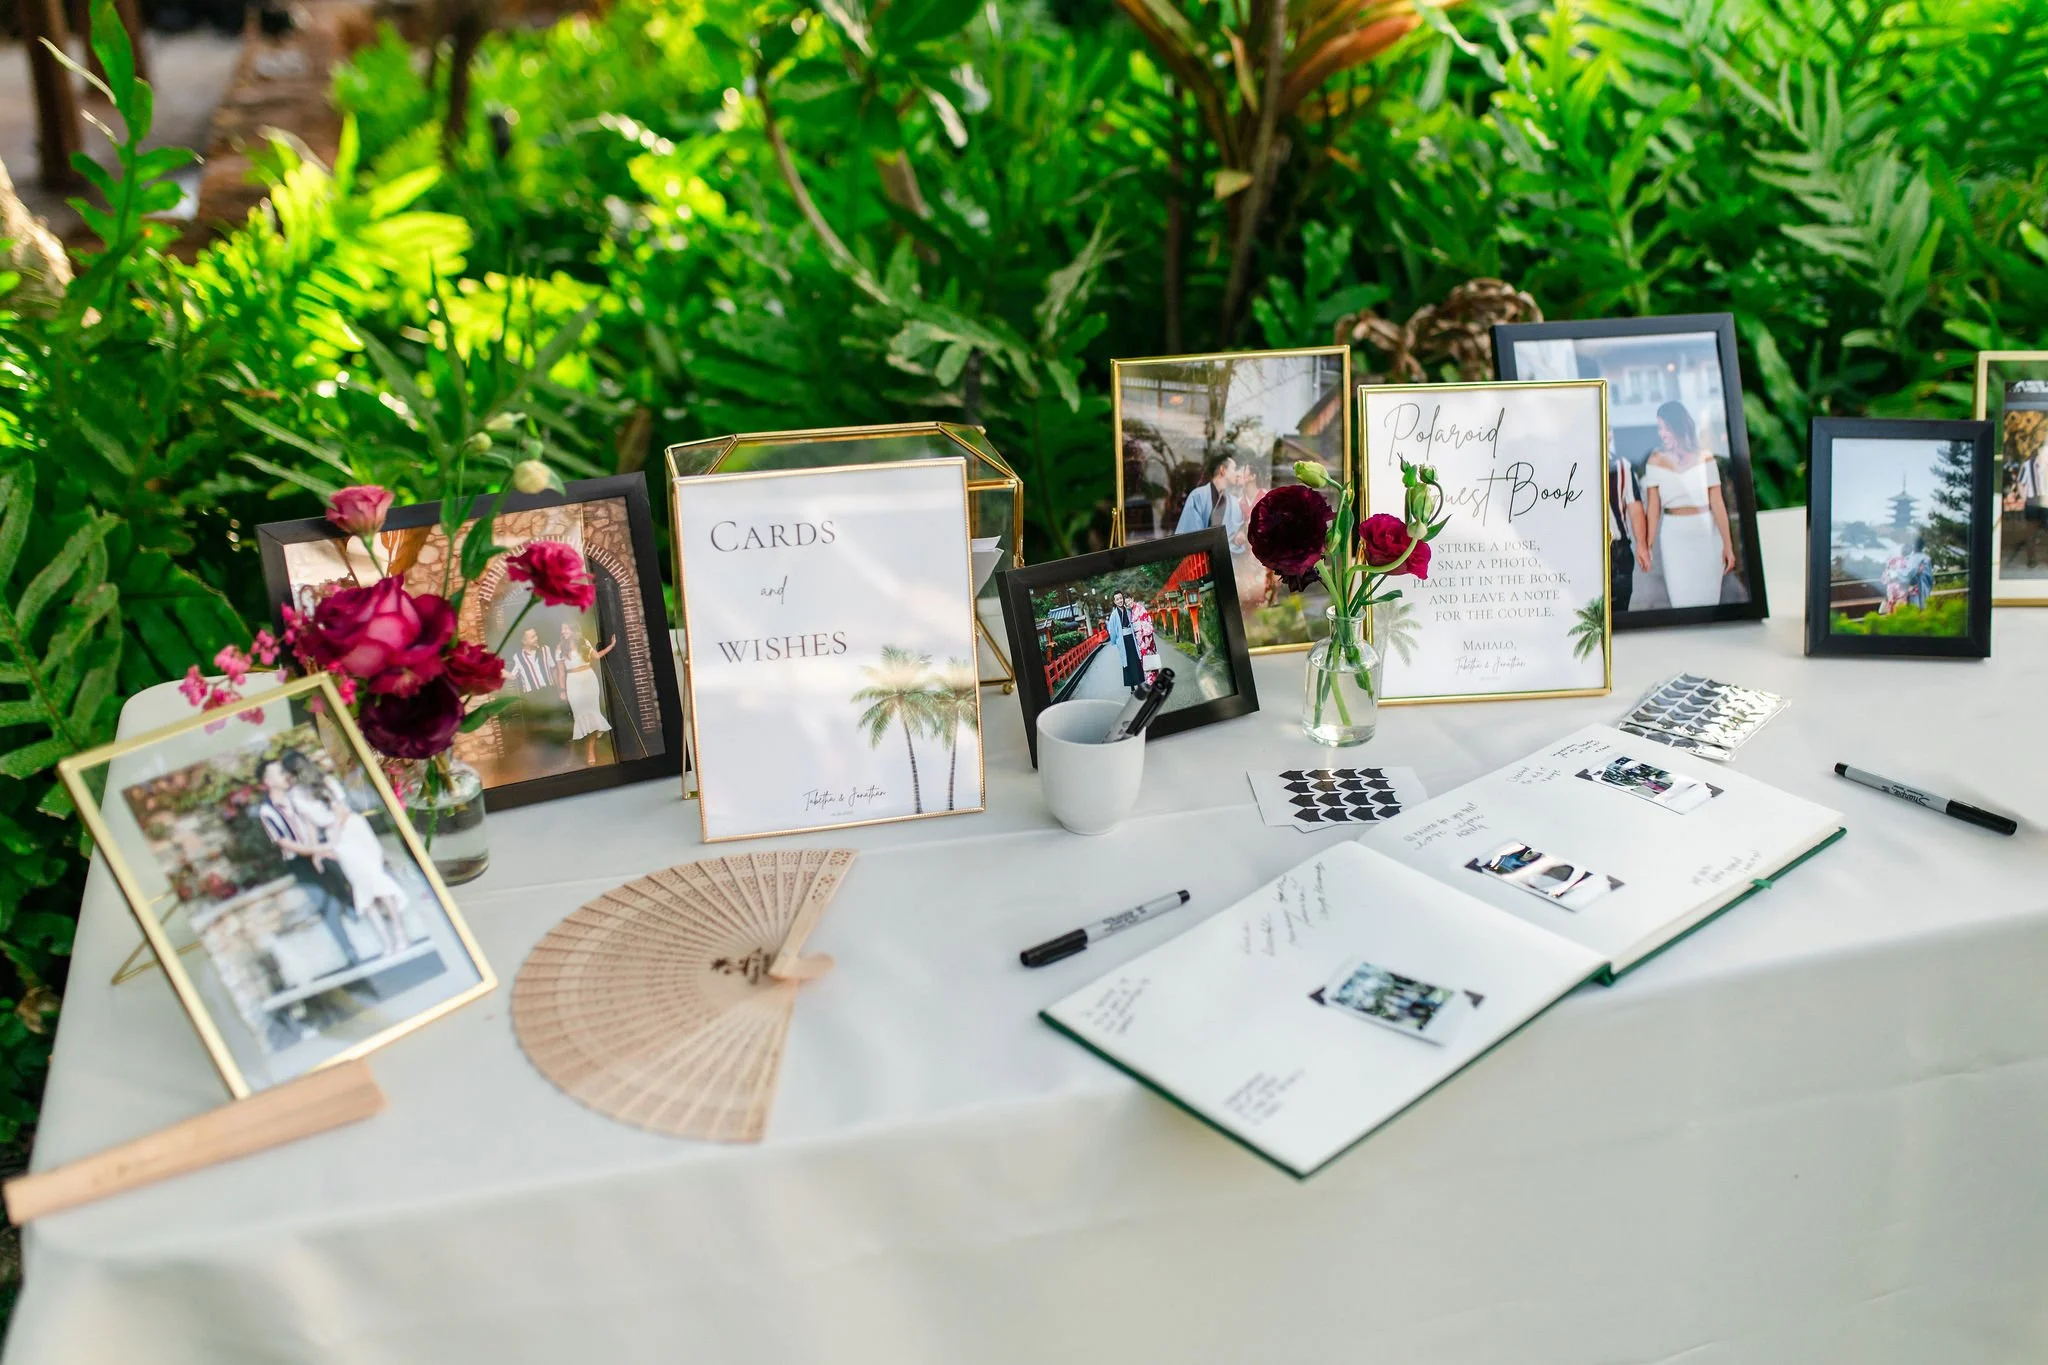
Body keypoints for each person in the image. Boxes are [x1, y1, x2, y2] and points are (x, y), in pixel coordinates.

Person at [281, 752, 412, 960]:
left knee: (375, 880)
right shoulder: (294, 795)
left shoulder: (325, 782)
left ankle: (399, 933)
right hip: (336, 838)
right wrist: (317, 850)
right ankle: (386, 940)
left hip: (352, 830)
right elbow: (310, 824)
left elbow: (342, 812)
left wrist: (333, 840)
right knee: (361, 887)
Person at [255, 754, 362, 973]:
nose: (284, 775)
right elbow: (285, 843)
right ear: (267, 782)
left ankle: (367, 925)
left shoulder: (298, 794)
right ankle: (350, 953)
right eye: (277, 772)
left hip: (324, 847)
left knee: (348, 888)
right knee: (326, 906)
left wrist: (323, 849)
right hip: (300, 861)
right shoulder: (267, 811)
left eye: (283, 770)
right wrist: (318, 851)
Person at [1641, 401, 1739, 610]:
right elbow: (1653, 508)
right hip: (1674, 538)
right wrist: (1647, 545)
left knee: (1709, 599)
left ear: (1678, 426)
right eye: (1659, 428)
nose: (1662, 433)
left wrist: (1728, 546)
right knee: (1681, 599)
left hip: (1707, 535)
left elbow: (1717, 503)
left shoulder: (1705, 458)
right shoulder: (1655, 460)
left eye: (1665, 427)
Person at [556, 622, 617, 766]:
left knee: (592, 714)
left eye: (566, 628)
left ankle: (591, 751)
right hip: (573, 683)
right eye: (562, 629)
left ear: (573, 630)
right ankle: (575, 752)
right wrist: (562, 690)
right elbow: (560, 672)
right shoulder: (560, 648)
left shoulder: (584, 642)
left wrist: (611, 646)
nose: (563, 631)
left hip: (589, 680)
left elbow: (596, 656)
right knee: (580, 716)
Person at [1605, 437, 1652, 612]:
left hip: (1614, 550)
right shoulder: (1621, 465)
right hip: (1618, 549)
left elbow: (1635, 506)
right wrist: (1641, 546)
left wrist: (1642, 545)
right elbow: (1635, 506)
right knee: (1618, 616)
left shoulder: (1621, 466)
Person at [1175, 454, 1245, 541]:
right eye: (1234, 469)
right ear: (1222, 470)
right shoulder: (1197, 496)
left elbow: (1236, 533)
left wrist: (1239, 536)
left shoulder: (1233, 501)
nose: (1237, 474)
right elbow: (1190, 533)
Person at [1103, 591, 1146, 691]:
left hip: (1131, 638)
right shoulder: (1114, 615)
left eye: (1120, 598)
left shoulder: (1128, 610)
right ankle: (1132, 686)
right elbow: (1112, 630)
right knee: (1127, 662)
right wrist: (1115, 641)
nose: (1119, 601)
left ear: (1123, 598)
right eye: (1117, 599)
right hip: (1123, 640)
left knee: (1136, 659)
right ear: (1114, 601)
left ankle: (1140, 682)